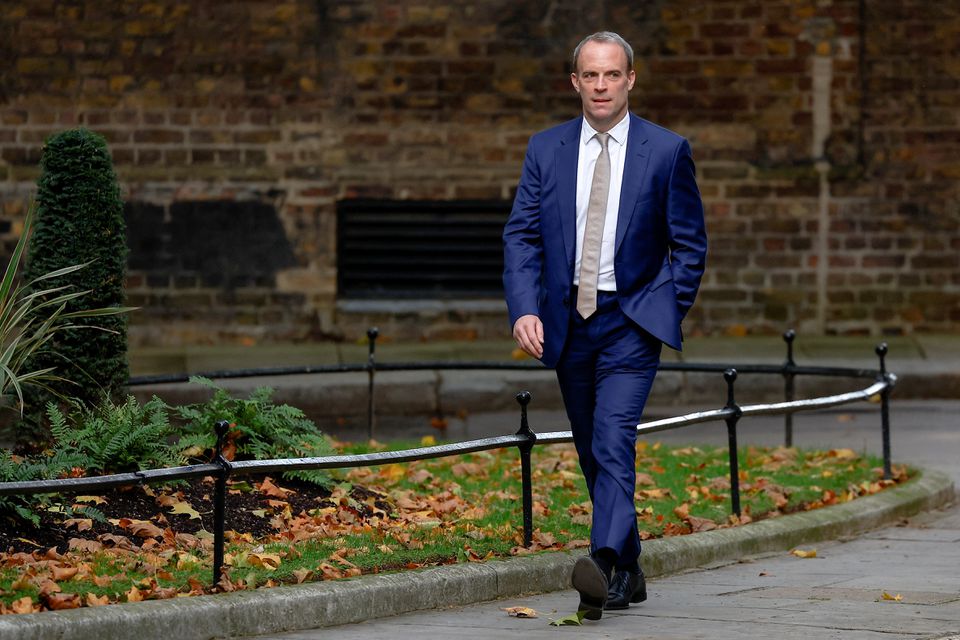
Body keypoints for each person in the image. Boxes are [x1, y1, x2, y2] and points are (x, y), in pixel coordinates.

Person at [502, 31, 707, 620]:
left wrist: (663, 308)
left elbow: (689, 244)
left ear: (630, 79)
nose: (601, 85)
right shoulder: (546, 148)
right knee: (593, 447)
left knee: (614, 438)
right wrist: (525, 307)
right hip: (568, 321)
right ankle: (632, 567)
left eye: (612, 74)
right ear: (575, 82)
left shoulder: (665, 150)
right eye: (590, 75)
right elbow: (522, 235)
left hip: (630, 322)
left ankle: (605, 562)